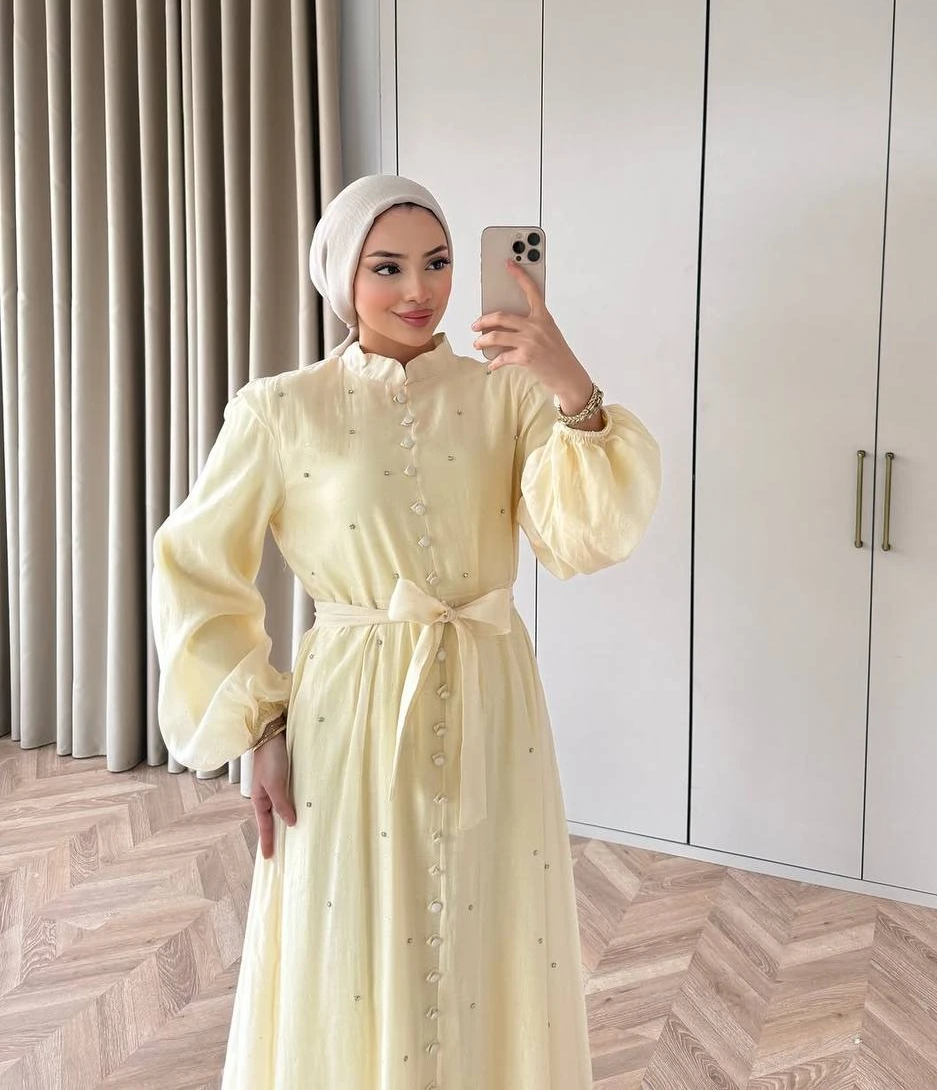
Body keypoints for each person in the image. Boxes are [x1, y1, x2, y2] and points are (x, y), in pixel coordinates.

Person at [150, 174, 661, 1089]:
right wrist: (260, 727)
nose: (418, 289)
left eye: (437, 262)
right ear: (342, 275)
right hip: (350, 709)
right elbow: (193, 566)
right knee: (348, 927)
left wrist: (569, 385)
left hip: (491, 696)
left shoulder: (508, 395)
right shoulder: (281, 408)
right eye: (386, 267)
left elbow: (587, 536)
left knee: (491, 918)